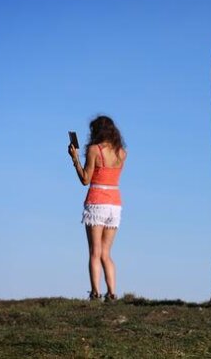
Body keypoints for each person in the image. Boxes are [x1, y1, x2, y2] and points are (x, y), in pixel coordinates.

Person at [68, 115, 127, 302]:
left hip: (97, 202)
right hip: (115, 204)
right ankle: (112, 293)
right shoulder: (122, 153)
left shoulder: (95, 150)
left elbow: (86, 179)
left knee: (94, 251)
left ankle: (95, 293)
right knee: (106, 253)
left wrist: (75, 158)